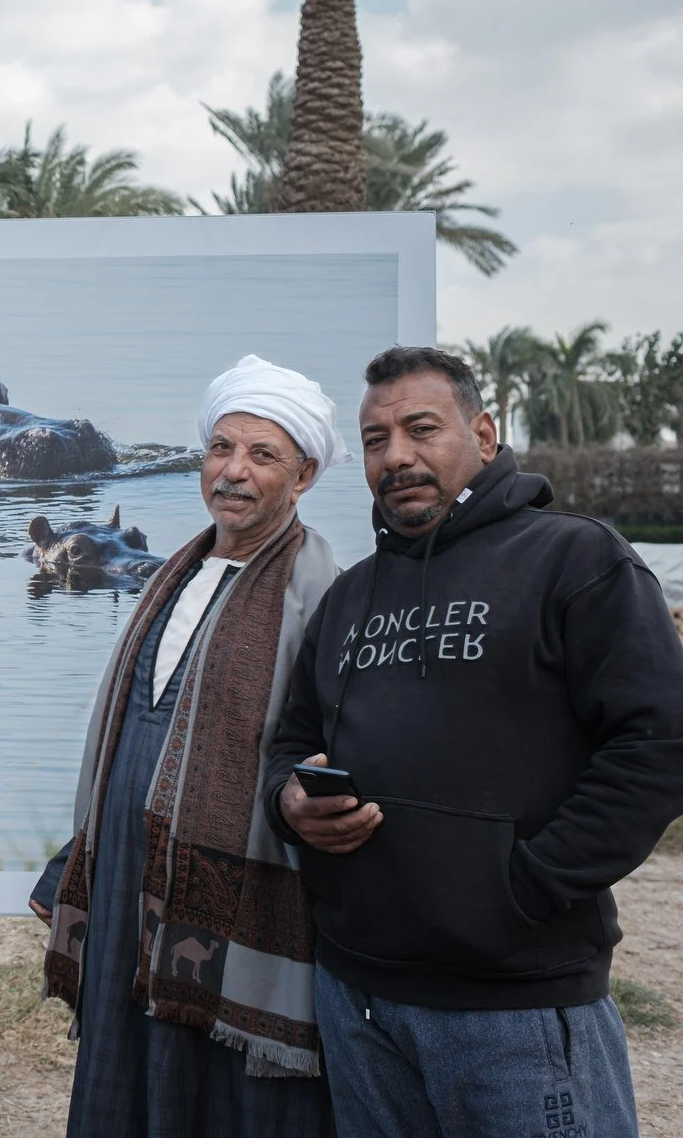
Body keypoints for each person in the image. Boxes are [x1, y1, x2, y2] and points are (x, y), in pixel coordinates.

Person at [266, 346, 683, 1136]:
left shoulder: (577, 559)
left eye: (421, 429)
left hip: (515, 1004)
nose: (399, 456)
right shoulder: (351, 597)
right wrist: (290, 801)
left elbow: (658, 742)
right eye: (378, 440)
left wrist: (524, 887)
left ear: (484, 436)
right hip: (357, 997)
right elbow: (292, 742)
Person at [33, 355, 347, 1136]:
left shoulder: (323, 591)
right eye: (221, 449)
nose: (234, 472)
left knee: (227, 1098)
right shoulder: (171, 574)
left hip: (233, 889)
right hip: (128, 878)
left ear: (303, 475)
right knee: (119, 1070)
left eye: (262, 456)